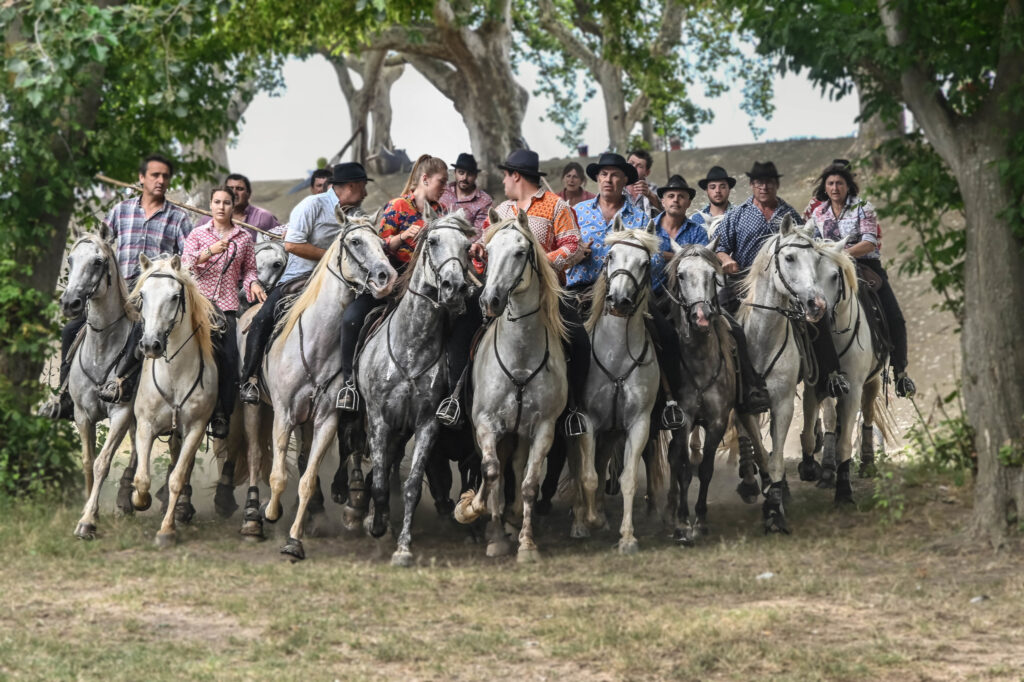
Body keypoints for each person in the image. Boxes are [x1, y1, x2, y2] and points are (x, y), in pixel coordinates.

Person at [565, 153, 684, 428]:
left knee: (667, 335)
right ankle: (569, 408)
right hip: (582, 289)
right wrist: (575, 253)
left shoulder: (642, 219)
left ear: (625, 180)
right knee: (563, 339)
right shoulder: (577, 212)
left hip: (630, 294)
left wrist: (635, 262)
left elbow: (656, 259)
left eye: (615, 174)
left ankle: (668, 404)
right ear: (597, 178)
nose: (609, 179)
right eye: (604, 174)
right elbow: (563, 247)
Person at [239, 162, 371, 403]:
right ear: (351, 185)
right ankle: (250, 379)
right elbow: (291, 244)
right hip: (300, 281)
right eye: (363, 187)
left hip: (343, 284)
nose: (365, 193)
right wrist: (331, 258)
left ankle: (354, 386)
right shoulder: (311, 205)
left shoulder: (357, 215)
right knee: (262, 318)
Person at [337, 155, 452, 410]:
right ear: (425, 179)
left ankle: (451, 392)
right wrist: (403, 236)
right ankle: (348, 385)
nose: (445, 188)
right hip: (391, 276)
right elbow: (379, 246)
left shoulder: (442, 212)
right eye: (441, 182)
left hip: (429, 284)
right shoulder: (397, 206)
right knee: (352, 318)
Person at [84, 154, 196, 408]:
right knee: (74, 329)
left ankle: (122, 381)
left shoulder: (178, 218)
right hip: (119, 292)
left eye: (165, 176)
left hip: (153, 297)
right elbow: (102, 245)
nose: (161, 180)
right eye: (155, 175)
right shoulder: (120, 210)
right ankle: (66, 394)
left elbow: (187, 262)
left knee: (142, 329)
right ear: (141, 178)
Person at [810, 162, 916, 397]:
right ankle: (821, 371)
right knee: (811, 313)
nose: (835, 187)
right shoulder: (818, 213)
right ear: (825, 188)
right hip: (830, 268)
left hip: (865, 266)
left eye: (839, 183)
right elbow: (814, 243)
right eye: (830, 183)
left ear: (848, 186)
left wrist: (841, 253)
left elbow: (870, 241)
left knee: (895, 317)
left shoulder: (863, 207)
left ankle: (900, 374)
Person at [714, 160, 808, 412]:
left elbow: (801, 251)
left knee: (813, 320)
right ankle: (724, 376)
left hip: (783, 286)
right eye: (758, 182)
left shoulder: (790, 215)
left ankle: (822, 375)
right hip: (743, 283)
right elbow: (720, 247)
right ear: (752, 185)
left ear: (776, 184)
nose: (763, 186)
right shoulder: (737, 214)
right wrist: (727, 259)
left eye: (768, 182)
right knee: (719, 320)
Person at [182, 187, 266, 437]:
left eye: (226, 202)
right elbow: (185, 264)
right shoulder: (197, 234)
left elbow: (250, 269)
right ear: (210, 205)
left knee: (230, 359)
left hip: (227, 306)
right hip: (198, 305)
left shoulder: (244, 238)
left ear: (233, 205)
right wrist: (209, 252)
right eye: (217, 202)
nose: (221, 207)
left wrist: (253, 282)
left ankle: (221, 414)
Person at [652, 175, 707, 290]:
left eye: (681, 196)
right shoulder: (648, 229)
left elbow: (702, 263)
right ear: (663, 202)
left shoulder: (698, 232)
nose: (675, 200)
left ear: (688, 203)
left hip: (688, 298)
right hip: (650, 297)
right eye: (671, 196)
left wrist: (671, 256)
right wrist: (685, 257)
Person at [197, 173, 280, 241]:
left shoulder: (263, 217)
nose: (234, 192)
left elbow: (281, 240)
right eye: (230, 188)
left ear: (248, 193)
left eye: (239, 189)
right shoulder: (207, 219)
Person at [439, 153, 492, 236]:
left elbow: (479, 233)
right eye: (461, 173)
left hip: (465, 246)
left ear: (475, 176)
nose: (464, 178)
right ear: (455, 172)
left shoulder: (484, 201)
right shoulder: (442, 191)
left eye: (470, 174)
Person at [691, 165, 736, 235]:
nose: (717, 190)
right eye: (712, 187)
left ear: (729, 189)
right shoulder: (695, 219)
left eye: (722, 187)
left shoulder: (739, 216)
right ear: (706, 190)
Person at [625, 149, 662, 217]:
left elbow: (663, 209)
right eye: (631, 163)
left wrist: (649, 194)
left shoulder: (652, 188)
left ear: (647, 172)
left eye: (640, 166)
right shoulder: (617, 187)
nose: (633, 167)